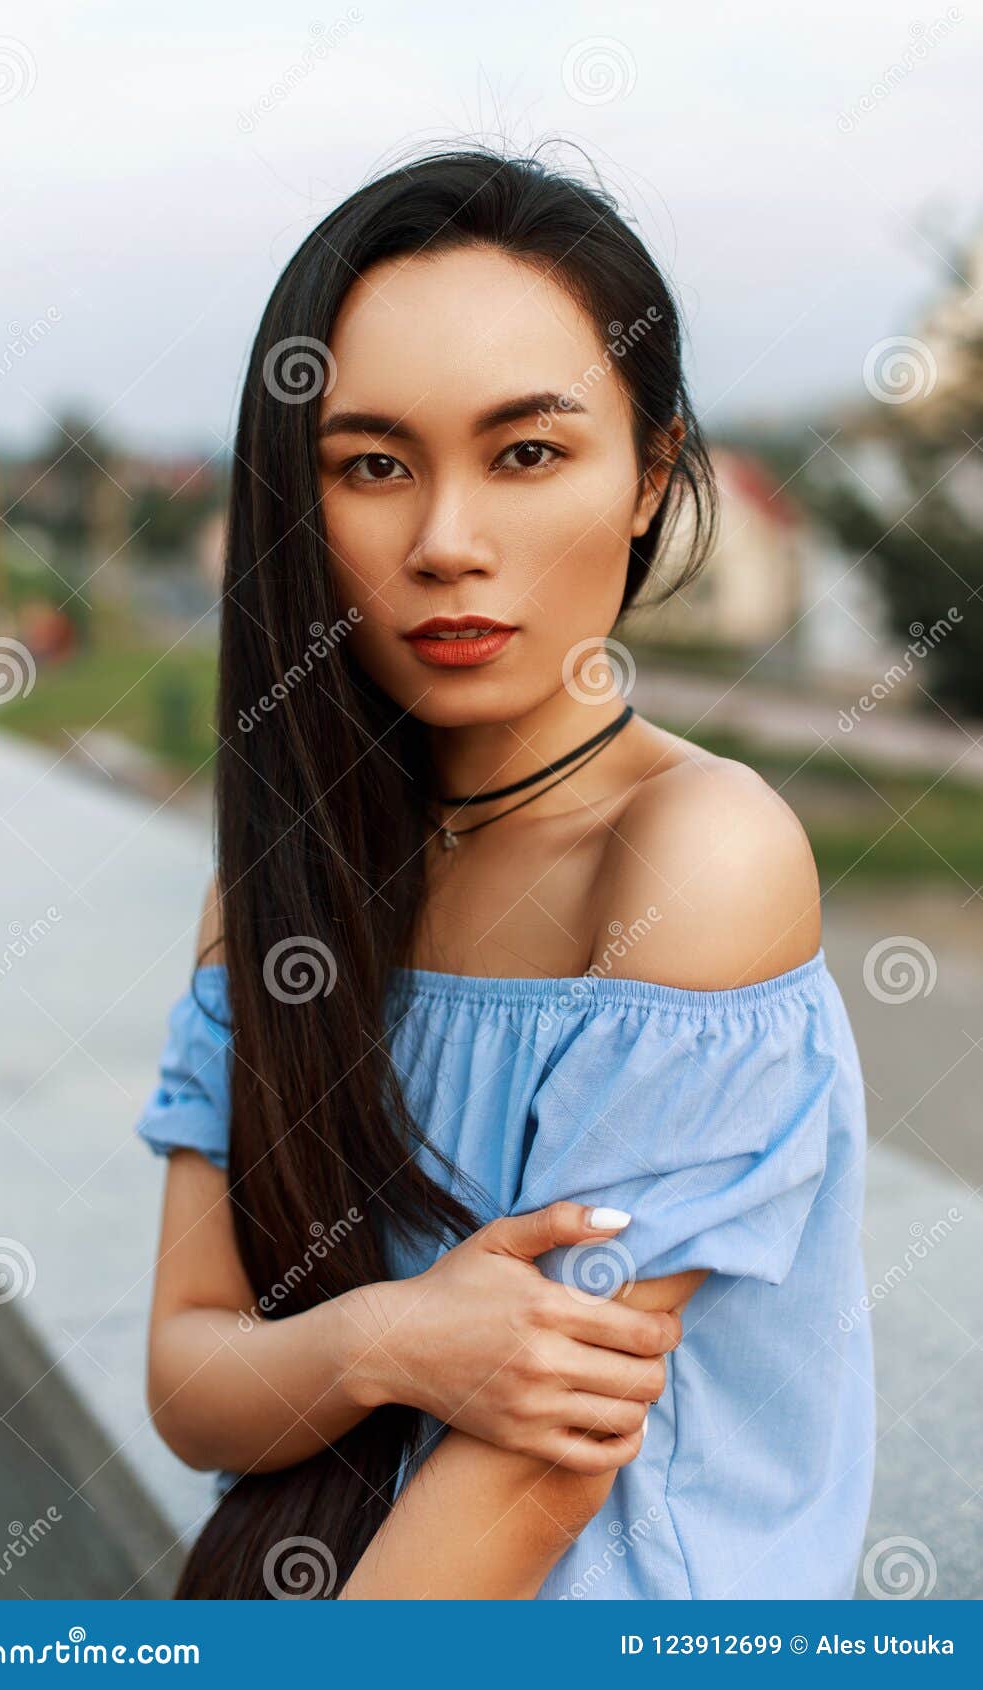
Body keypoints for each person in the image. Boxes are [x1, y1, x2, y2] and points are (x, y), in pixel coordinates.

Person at [133, 145, 875, 1600]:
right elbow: (188, 1369)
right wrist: (387, 1337)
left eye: (527, 452)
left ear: (653, 473)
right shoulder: (284, 876)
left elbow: (539, 1472)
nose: (447, 543)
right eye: (372, 464)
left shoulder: (696, 857)